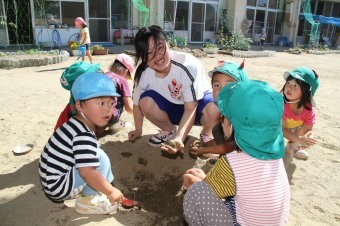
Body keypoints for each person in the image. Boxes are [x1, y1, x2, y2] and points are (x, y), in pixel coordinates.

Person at [183, 80, 290, 226]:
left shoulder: (232, 163)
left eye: (224, 117)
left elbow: (208, 188)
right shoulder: (275, 155)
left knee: (197, 192)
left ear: (230, 125)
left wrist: (198, 182)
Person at [39, 72, 125, 214]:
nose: (108, 109)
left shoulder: (74, 123)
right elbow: (87, 172)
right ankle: (88, 201)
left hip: (50, 180)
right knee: (99, 159)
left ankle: (92, 190)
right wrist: (111, 191)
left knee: (94, 154)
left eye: (111, 103)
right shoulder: (83, 134)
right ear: (79, 105)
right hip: (58, 187)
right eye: (101, 103)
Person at [128, 25, 220, 153]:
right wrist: (138, 129)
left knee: (214, 108)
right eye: (149, 53)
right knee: (145, 102)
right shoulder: (143, 73)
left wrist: (179, 139)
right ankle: (169, 130)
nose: (158, 56)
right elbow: (136, 103)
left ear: (168, 43)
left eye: (160, 48)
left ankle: (207, 135)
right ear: (142, 57)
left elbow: (190, 108)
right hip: (172, 110)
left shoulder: (188, 65)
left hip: (197, 108)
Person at [188, 60, 249, 162]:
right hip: (233, 148)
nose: (221, 90)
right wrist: (205, 144)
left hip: (249, 160)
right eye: (216, 85)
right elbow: (225, 139)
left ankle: (227, 162)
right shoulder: (226, 111)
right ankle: (224, 158)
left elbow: (231, 145)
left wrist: (204, 150)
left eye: (230, 85)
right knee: (217, 129)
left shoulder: (241, 115)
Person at [281, 66, 319, 159]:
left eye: (295, 85)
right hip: (279, 126)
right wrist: (298, 139)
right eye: (288, 82)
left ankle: (292, 146)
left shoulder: (308, 110)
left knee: (303, 130)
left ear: (307, 92)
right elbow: (282, 129)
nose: (289, 87)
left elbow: (308, 127)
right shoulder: (282, 105)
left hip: (294, 128)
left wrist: (308, 137)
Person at [105, 53, 135, 132]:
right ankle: (116, 123)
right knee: (123, 97)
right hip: (108, 116)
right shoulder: (122, 81)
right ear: (126, 71)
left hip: (92, 113)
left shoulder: (103, 75)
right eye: (128, 76)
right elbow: (129, 108)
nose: (127, 79)